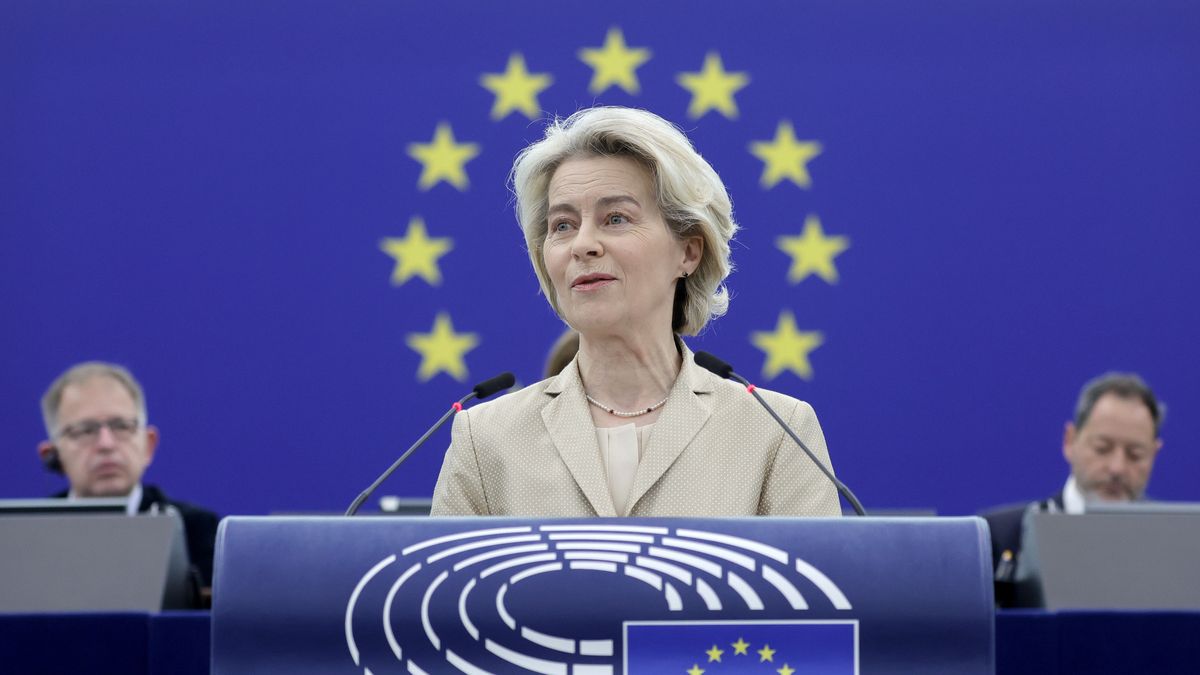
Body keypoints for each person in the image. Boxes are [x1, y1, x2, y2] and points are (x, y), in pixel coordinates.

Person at [431, 106, 842, 517]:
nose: (582, 245)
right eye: (562, 225)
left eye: (615, 218)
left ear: (688, 252)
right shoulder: (485, 438)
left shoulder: (776, 432)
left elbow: (808, 563)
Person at [981, 372, 1165, 606]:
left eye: (1135, 454)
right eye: (1102, 448)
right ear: (1070, 441)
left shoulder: (1175, 546)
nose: (1117, 468)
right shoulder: (999, 538)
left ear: (1154, 454)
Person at [37, 362, 220, 591]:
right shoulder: (28, 536)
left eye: (121, 426)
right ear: (52, 454)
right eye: (85, 430)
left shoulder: (197, 532)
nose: (106, 444)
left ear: (148, 445)